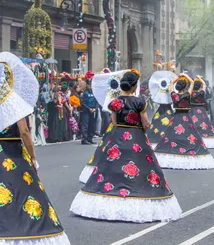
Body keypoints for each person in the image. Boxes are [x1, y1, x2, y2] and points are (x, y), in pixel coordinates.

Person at [70, 70, 182, 222]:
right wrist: (141, 129)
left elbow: (113, 121)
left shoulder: (115, 102)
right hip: (137, 139)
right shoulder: (139, 102)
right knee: (143, 168)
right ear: (134, 87)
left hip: (118, 138)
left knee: (109, 167)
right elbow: (146, 122)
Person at [0, 52, 71, 244]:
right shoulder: (12, 100)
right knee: (22, 193)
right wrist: (32, 155)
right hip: (13, 153)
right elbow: (24, 132)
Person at [154, 73, 214, 169]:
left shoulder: (174, 95)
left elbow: (171, 83)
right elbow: (192, 82)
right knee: (190, 134)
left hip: (175, 117)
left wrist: (177, 78)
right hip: (186, 117)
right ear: (185, 87)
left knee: (171, 134)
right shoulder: (188, 94)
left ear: (177, 87)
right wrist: (187, 76)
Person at [189, 76, 214, 149]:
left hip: (192, 111)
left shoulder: (190, 93)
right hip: (201, 111)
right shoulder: (201, 93)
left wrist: (194, 79)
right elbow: (204, 84)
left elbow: (192, 84)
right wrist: (200, 78)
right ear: (200, 86)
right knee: (204, 125)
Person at [80, 77, 98, 145]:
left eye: (91, 84)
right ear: (87, 85)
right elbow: (82, 102)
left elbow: (97, 101)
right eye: (89, 84)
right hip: (86, 111)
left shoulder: (94, 92)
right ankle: (84, 139)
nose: (90, 86)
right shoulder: (84, 93)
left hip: (93, 110)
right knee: (85, 125)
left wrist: (95, 108)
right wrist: (89, 108)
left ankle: (90, 138)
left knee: (92, 125)